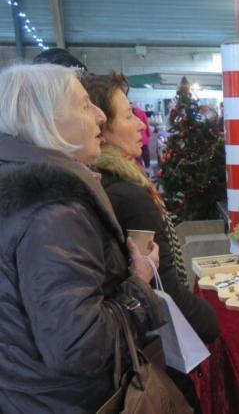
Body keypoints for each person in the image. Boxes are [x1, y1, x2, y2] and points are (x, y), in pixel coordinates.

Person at [0, 63, 165, 413]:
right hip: (72, 401)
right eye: (84, 104)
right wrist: (139, 285)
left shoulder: (23, 193)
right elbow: (78, 346)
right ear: (45, 119)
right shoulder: (53, 209)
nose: (100, 116)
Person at [80, 72, 220, 409]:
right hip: (151, 349)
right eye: (128, 116)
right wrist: (212, 324)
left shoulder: (101, 185)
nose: (142, 124)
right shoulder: (127, 194)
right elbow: (162, 281)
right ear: (102, 127)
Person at [133, 104, 152, 168]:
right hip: (143, 136)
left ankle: (140, 166)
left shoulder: (131, 114)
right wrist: (149, 134)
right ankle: (147, 165)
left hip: (134, 136)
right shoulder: (142, 113)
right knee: (145, 151)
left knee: (137, 153)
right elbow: (146, 123)